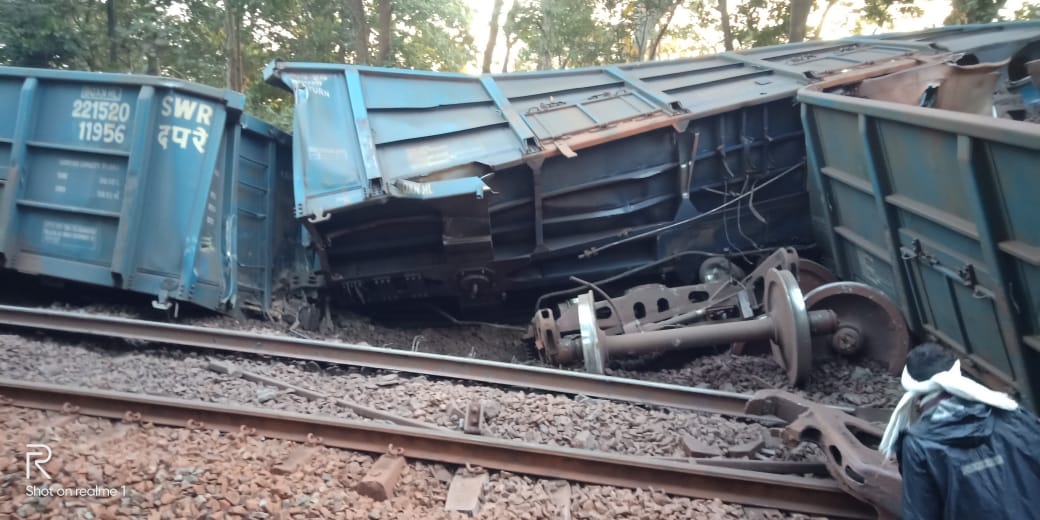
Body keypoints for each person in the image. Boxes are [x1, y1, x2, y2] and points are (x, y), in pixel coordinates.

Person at [877, 342, 1040, 519]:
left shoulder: (919, 444)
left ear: (912, 388)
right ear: (957, 373)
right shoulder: (1013, 415)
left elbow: (921, 514)